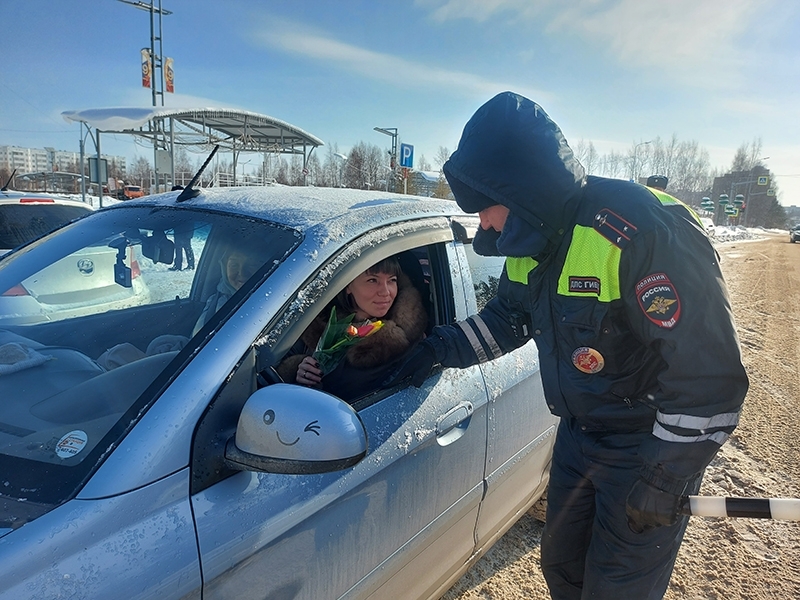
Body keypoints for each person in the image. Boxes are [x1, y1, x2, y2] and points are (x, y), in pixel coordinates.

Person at [385, 92, 748, 599]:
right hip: (578, 438)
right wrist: (433, 349)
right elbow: (507, 321)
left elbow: (708, 381)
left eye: (484, 207)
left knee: (616, 590)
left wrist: (665, 478)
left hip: (644, 447)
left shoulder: (637, 232)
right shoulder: (527, 239)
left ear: (521, 190)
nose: (483, 224)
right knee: (563, 571)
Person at [276, 256, 427, 402]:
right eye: (372, 280)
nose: (386, 292)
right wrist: (301, 374)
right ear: (348, 285)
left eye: (392, 280)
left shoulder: (410, 339)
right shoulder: (313, 323)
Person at [192, 246, 263, 335]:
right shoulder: (215, 300)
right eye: (234, 265)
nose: (242, 272)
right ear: (224, 267)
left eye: (252, 265)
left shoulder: (270, 304)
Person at [169, 186, 195, 271]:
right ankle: (189, 265)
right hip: (186, 230)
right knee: (185, 247)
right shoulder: (188, 202)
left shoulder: (180, 203)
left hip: (182, 230)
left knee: (182, 247)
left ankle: (179, 265)